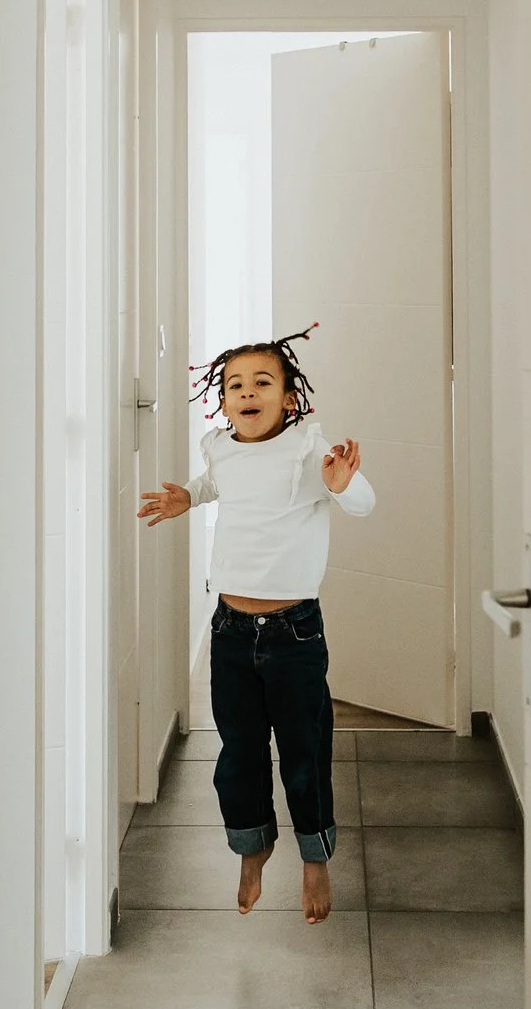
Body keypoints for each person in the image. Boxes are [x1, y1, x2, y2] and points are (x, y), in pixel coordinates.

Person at [137, 328, 373, 923]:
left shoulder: (306, 454)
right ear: (223, 401)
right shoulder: (220, 446)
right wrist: (188, 498)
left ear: (289, 399)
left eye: (262, 382)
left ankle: (315, 856)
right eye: (235, 384)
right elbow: (219, 483)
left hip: (295, 633)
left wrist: (347, 486)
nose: (247, 391)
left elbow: (360, 501)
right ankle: (253, 843)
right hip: (231, 633)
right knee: (239, 751)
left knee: (303, 750)